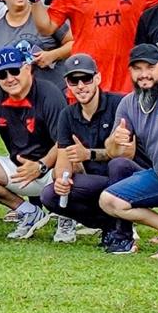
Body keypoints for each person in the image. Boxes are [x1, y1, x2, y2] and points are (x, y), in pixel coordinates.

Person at [0, 47, 65, 239]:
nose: (9, 78)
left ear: (27, 68)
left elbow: (63, 142)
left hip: (52, 170)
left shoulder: (49, 94)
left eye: (14, 71)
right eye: (2, 74)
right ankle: (28, 212)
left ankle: (67, 216)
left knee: (72, 158)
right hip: (19, 170)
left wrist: (41, 166)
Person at [38, 54, 124, 246]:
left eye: (86, 78)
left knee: (118, 166)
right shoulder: (67, 115)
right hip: (92, 181)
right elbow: (62, 162)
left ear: (98, 79)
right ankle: (110, 226)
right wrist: (62, 179)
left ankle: (121, 227)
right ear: (67, 83)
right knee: (50, 195)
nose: (80, 85)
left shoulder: (118, 105)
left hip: (124, 178)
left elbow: (127, 154)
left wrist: (89, 154)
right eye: (73, 80)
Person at [98, 44, 158, 255]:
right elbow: (112, 151)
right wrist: (116, 140)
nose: (144, 75)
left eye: (150, 67)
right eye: (137, 68)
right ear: (130, 72)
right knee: (109, 201)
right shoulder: (128, 103)